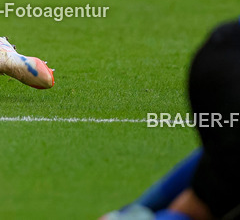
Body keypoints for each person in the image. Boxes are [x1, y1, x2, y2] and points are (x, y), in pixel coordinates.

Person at [102, 19, 240, 220]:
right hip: (229, 77)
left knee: (214, 172)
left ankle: (124, 215)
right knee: (202, 208)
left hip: (219, 52)